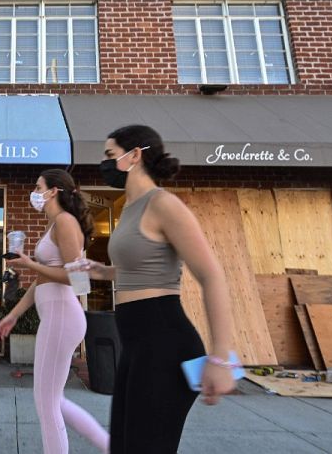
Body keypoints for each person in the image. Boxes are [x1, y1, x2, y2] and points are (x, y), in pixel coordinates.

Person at [84, 124, 237, 454]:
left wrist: (221, 358)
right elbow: (138, 268)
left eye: (110, 155)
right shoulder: (129, 208)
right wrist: (102, 271)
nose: (105, 162)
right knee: (123, 447)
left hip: (164, 342)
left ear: (135, 155)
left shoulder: (163, 204)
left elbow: (212, 276)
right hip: (135, 344)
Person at [0, 169, 109, 454]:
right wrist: (14, 314)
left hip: (61, 317)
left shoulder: (65, 222)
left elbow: (73, 278)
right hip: (58, 316)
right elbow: (41, 282)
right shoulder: (56, 223)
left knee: (46, 402)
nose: (34, 192)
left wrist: (28, 263)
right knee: (53, 401)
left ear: (54, 190)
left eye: (38, 186)